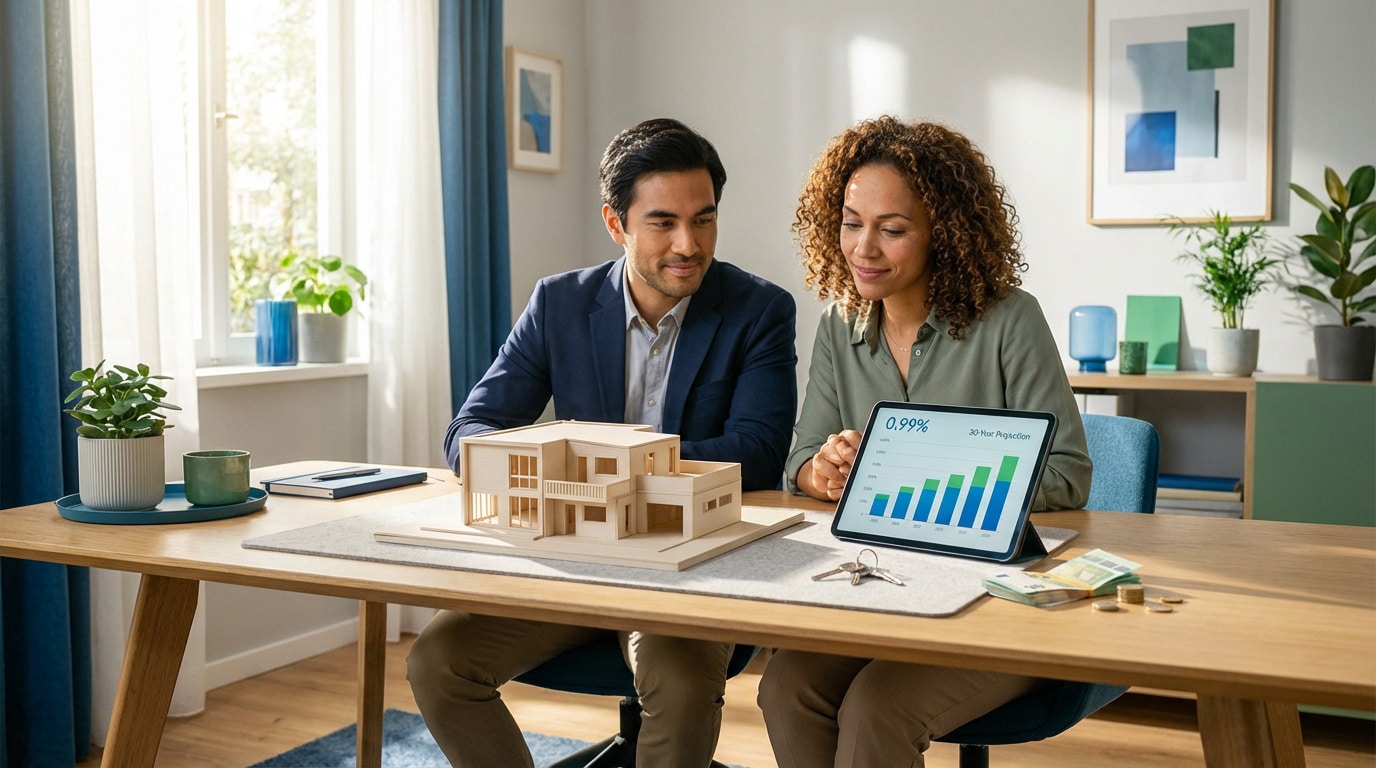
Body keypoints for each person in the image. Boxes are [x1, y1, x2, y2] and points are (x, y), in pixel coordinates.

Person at [409, 117, 798, 768]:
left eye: (703, 220)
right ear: (616, 224)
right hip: (573, 561)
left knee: (680, 683)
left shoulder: (759, 309)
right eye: (663, 222)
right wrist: (542, 470)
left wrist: (614, 470)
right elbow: (471, 430)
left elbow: (758, 452)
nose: (688, 244)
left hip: (687, 565)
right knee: (437, 662)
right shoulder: (558, 303)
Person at [757, 116, 1092, 768]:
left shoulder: (1010, 319)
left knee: (876, 708)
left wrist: (916, 472)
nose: (864, 248)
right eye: (851, 223)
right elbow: (799, 461)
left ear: (945, 231)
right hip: (881, 592)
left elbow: (1070, 473)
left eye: (892, 229)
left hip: (999, 600)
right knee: (786, 689)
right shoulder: (839, 326)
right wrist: (822, 472)